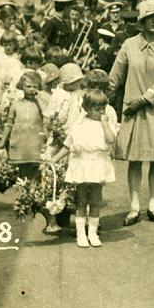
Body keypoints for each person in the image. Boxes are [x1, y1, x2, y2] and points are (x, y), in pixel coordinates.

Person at [108, 0, 154, 227]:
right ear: (142, 21)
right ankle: (134, 206)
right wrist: (101, 98)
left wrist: (143, 99)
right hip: (134, 110)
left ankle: (153, 205)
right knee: (136, 158)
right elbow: (115, 75)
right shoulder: (129, 45)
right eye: (151, 17)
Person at [54, 88, 117, 248]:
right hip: (81, 164)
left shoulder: (106, 124)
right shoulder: (79, 125)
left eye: (103, 108)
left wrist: (104, 123)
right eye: (97, 109)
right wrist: (54, 160)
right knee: (81, 201)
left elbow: (110, 140)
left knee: (96, 200)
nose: (101, 112)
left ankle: (93, 233)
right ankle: (81, 234)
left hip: (98, 164)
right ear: (87, 109)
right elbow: (68, 145)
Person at [0, 70, 46, 182]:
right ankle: (23, 197)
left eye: (35, 87)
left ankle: (33, 196)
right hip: (19, 145)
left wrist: (39, 100)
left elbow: (47, 115)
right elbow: (9, 124)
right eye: (28, 86)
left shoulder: (40, 105)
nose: (31, 89)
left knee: (35, 174)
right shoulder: (16, 104)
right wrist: (2, 141)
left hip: (35, 145)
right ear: (22, 86)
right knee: (21, 175)